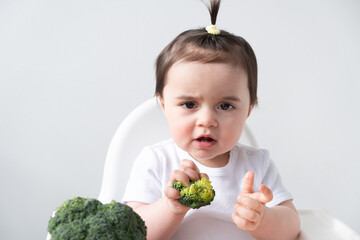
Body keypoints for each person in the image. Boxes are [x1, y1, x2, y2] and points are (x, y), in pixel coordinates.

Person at [122, 0, 301, 239]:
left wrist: (262, 219)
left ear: (248, 109)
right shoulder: (156, 162)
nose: (207, 120)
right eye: (189, 104)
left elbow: (292, 227)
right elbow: (132, 231)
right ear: (164, 106)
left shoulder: (258, 164)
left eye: (225, 106)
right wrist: (170, 207)